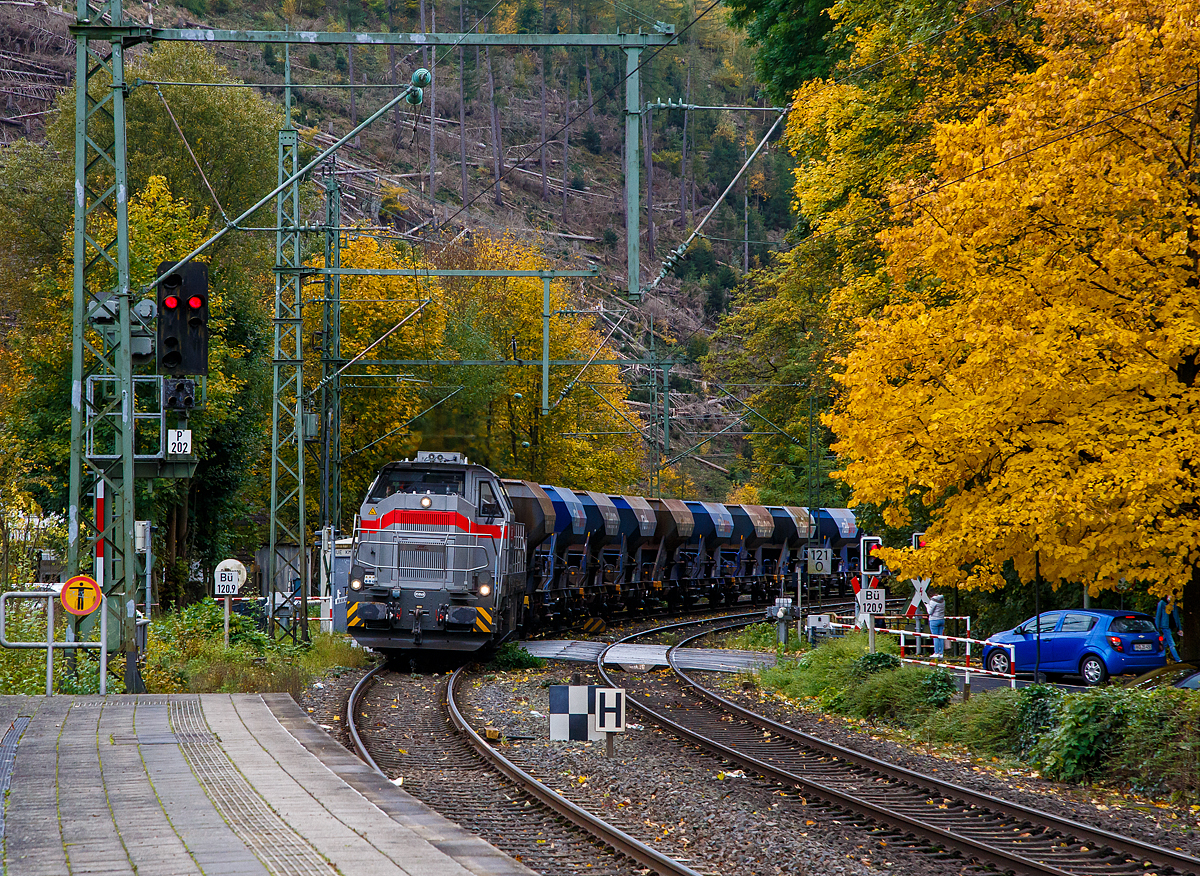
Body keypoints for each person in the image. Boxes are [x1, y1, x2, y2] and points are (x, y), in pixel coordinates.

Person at [1156, 591, 1183, 663]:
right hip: (1165, 626)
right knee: (1171, 644)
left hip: (1171, 626)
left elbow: (1177, 616)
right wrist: (1156, 629)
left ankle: (1161, 658)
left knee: (1164, 644)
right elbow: (1158, 616)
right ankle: (1178, 659)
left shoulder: (1173, 603)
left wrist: (1179, 628)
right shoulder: (1162, 603)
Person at [929, 592, 947, 659]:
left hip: (934, 620)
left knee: (935, 636)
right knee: (940, 636)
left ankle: (936, 652)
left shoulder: (933, 601)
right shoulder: (943, 600)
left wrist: (927, 606)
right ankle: (941, 653)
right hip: (941, 619)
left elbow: (930, 612)